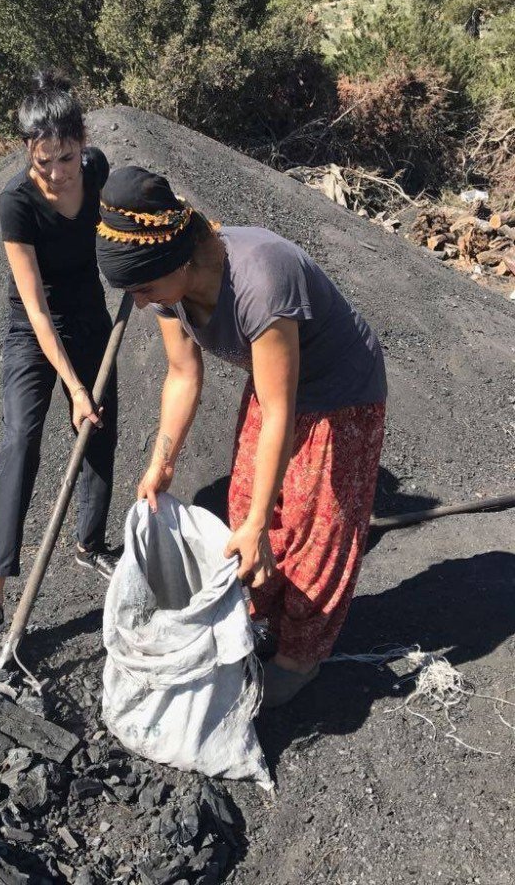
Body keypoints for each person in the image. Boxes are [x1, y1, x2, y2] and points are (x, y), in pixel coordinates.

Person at [95, 166, 387, 707]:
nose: (139, 303)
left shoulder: (262, 280)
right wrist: (162, 462)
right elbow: (183, 375)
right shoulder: (166, 291)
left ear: (180, 261)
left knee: (314, 526)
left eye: (143, 288)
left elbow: (280, 411)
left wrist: (256, 526)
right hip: (274, 383)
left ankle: (300, 657)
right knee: (248, 501)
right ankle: (261, 614)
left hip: (340, 393)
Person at [0, 71, 119, 651]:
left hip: (93, 319)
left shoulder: (97, 169)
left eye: (66, 158)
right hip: (33, 330)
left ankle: (90, 544)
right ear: (29, 150)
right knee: (21, 438)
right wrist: (72, 386)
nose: (56, 173)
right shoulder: (16, 204)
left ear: (82, 142)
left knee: (100, 433)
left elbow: (125, 224)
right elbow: (39, 311)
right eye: (44, 160)